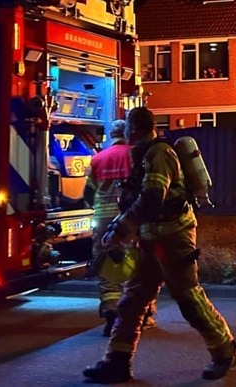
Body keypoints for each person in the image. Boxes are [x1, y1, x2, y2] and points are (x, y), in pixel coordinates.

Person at [83, 107, 236, 384]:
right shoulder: (143, 153)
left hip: (173, 237)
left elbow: (152, 198)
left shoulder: (159, 154)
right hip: (151, 237)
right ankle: (116, 362)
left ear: (134, 129)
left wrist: (121, 228)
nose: (125, 131)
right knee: (132, 301)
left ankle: (224, 351)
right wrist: (121, 226)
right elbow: (137, 200)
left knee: (189, 299)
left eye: (127, 126)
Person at [85, 119, 135, 336]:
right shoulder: (134, 154)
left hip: (103, 219)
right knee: (131, 262)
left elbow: (88, 192)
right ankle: (134, 313)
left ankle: (109, 308)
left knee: (106, 263)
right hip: (129, 217)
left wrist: (95, 208)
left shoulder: (98, 158)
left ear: (111, 135)